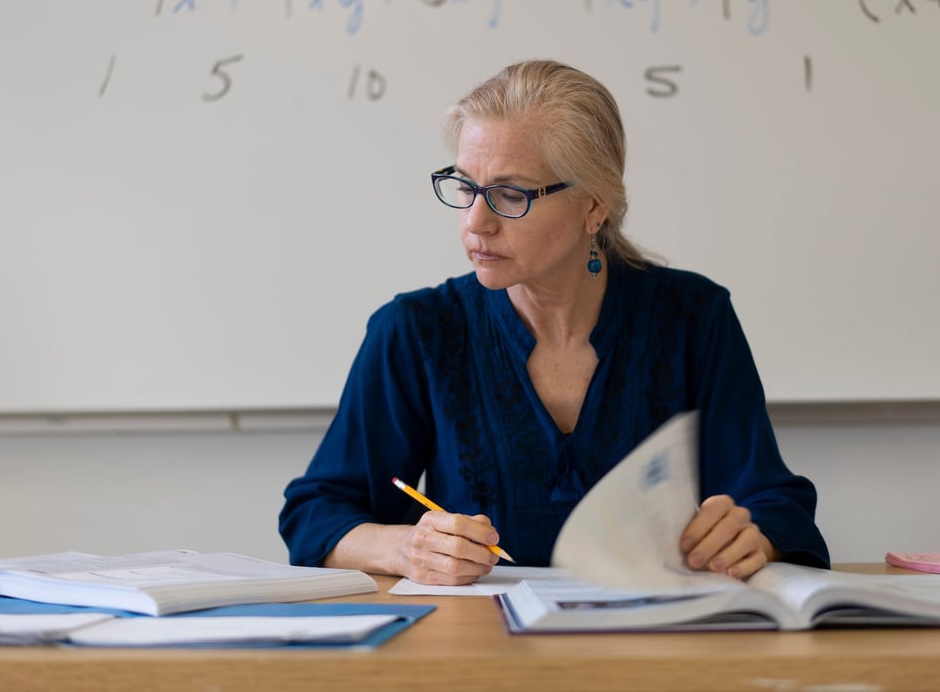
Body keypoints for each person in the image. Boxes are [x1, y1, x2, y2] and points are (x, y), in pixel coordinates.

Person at [280, 59, 829, 585]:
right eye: (466, 187)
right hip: (474, 657)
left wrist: (751, 534)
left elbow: (773, 503)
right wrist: (405, 548)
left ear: (594, 206)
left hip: (653, 648)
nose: (476, 223)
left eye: (510, 194)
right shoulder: (415, 330)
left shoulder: (693, 318)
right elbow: (317, 514)